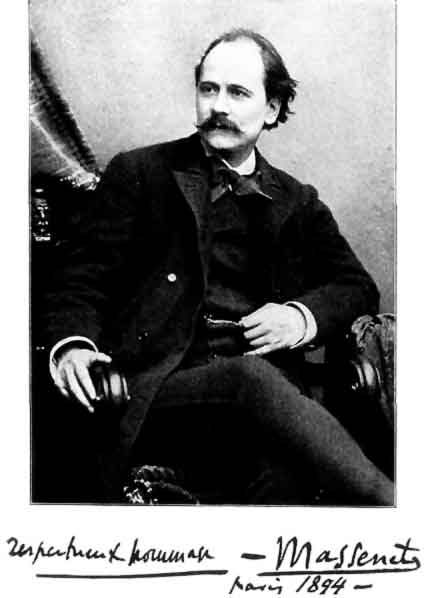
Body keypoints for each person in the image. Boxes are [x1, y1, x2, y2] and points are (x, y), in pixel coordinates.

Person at [42, 29, 394, 504]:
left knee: (285, 477)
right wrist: (72, 346)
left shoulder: (297, 201)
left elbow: (356, 286)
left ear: (272, 109)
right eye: (209, 89)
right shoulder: (140, 174)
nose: (219, 106)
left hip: (266, 406)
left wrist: (299, 318)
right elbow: (81, 278)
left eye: (238, 93)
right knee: (248, 378)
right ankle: (392, 505)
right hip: (159, 388)